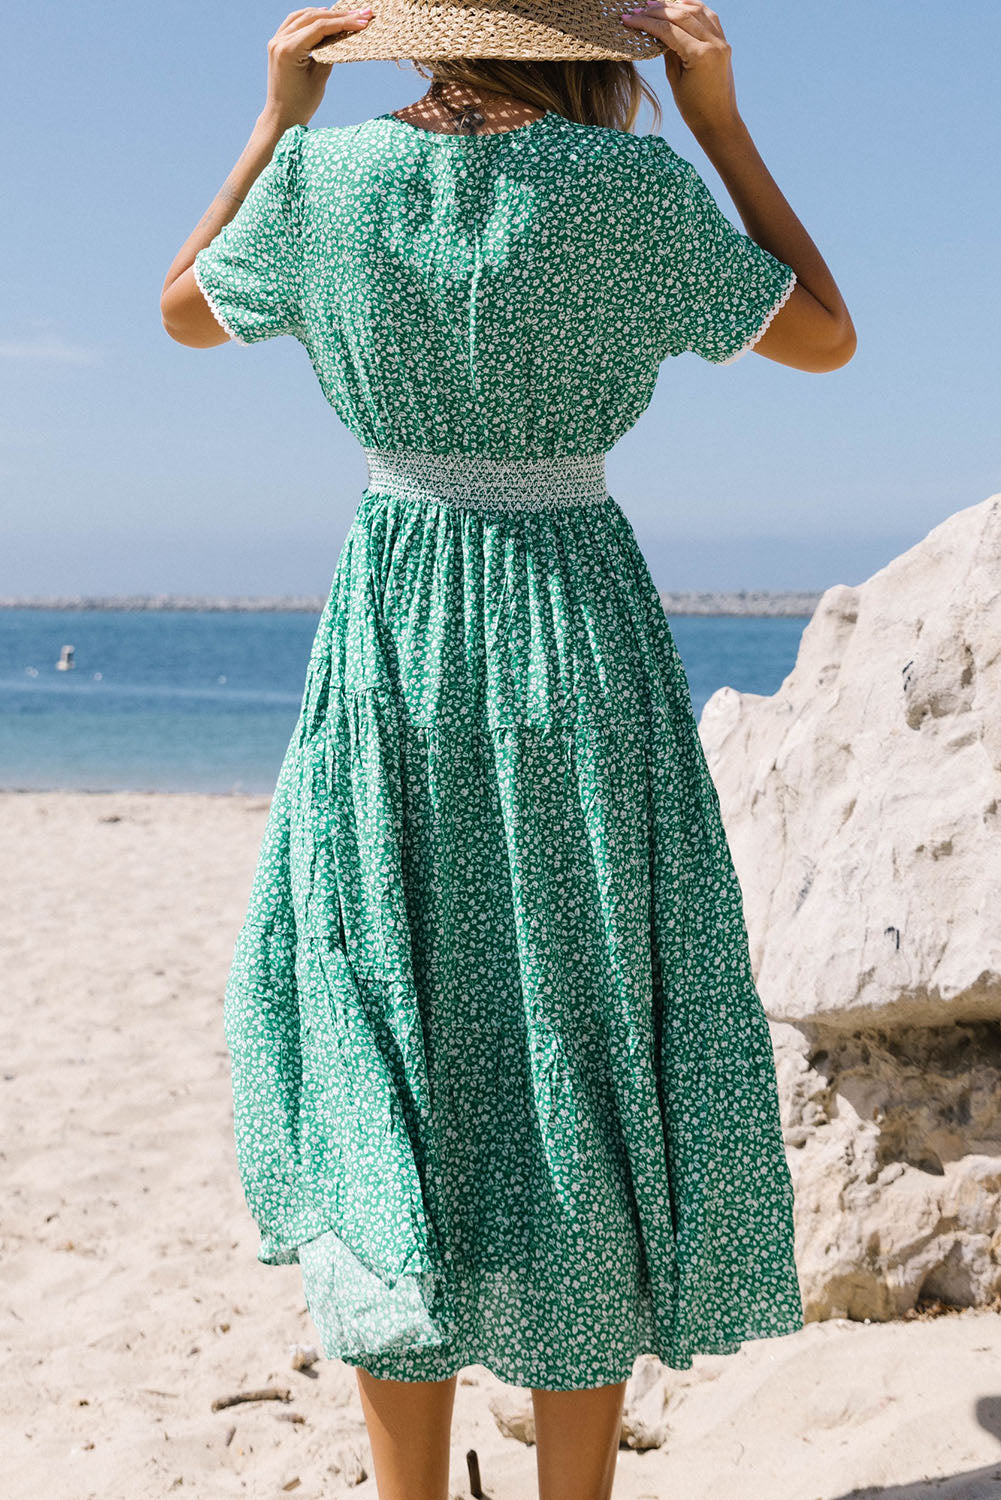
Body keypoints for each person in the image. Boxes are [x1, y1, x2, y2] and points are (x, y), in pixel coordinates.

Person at [161, 3, 854, 1496]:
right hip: (571, 626)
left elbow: (179, 308)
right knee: (576, 1024)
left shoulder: (327, 182)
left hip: (393, 633)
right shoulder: (632, 191)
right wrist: (715, 119)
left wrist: (278, 115)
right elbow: (821, 336)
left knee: (385, 1023)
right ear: (587, 33)